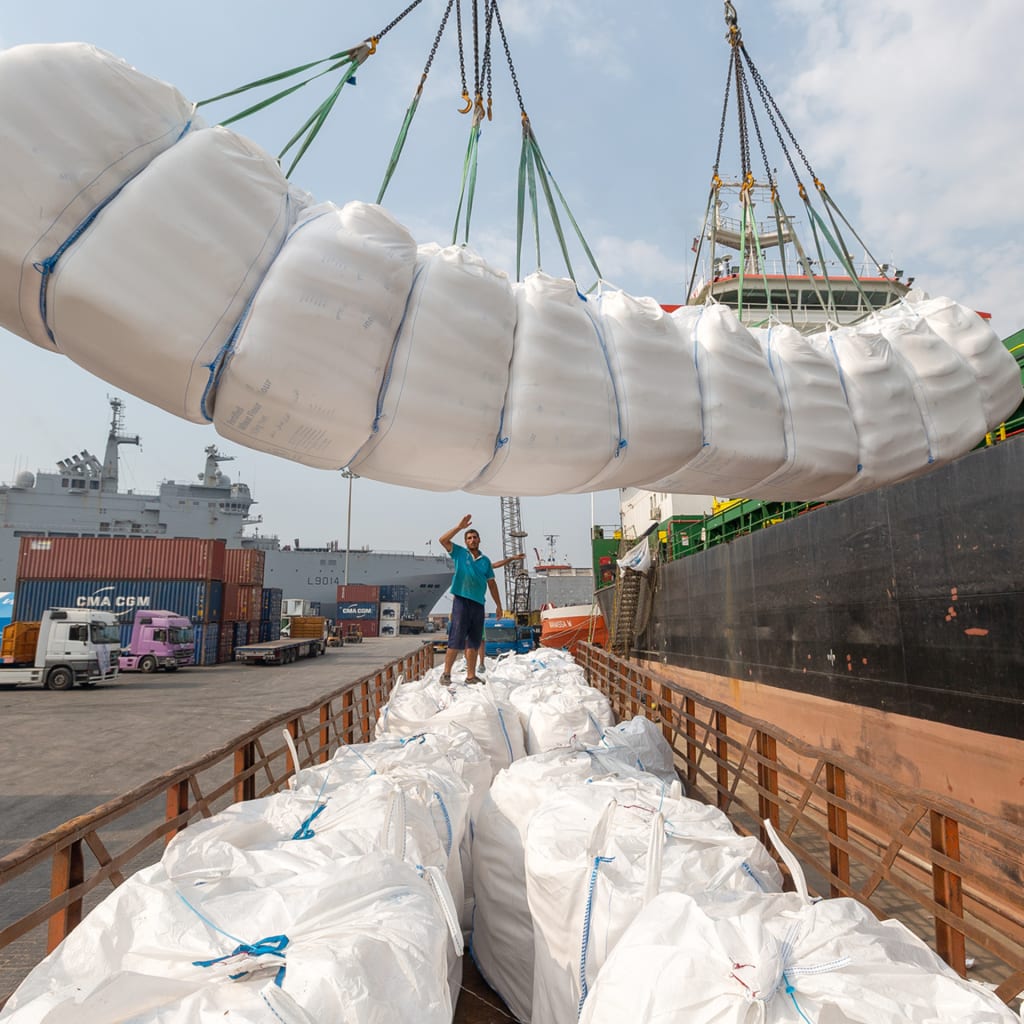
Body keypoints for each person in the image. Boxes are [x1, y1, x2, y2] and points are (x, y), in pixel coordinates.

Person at [438, 514, 503, 685]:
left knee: (474, 641)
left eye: (475, 537)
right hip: (461, 600)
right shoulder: (459, 553)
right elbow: (442, 540)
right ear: (465, 542)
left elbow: (492, 584)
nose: (472, 540)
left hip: (478, 604)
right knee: (455, 639)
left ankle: (471, 675)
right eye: (469, 538)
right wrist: (459, 527)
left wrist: (498, 605)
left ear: (479, 540)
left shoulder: (486, 561)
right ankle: (446, 674)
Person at [476, 551, 526, 674]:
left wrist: (512, 558)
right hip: (467, 602)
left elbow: (496, 564)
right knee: (470, 639)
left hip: (477, 603)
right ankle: (473, 663)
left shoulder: (483, 564)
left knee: (480, 638)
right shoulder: (465, 564)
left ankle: (481, 663)